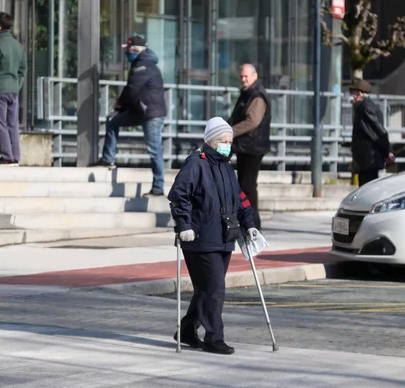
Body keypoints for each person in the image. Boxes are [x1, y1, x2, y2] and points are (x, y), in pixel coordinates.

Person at [169, 117, 260, 355]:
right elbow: (179, 196)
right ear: (211, 141)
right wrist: (183, 225)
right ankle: (213, 337)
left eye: (230, 141)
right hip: (199, 239)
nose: (228, 145)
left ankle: (188, 330)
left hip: (225, 236)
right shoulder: (196, 164)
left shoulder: (226, 167)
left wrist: (249, 224)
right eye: (224, 141)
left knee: (207, 289)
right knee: (215, 288)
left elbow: (240, 199)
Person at [91, 36, 167, 197]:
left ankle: (159, 187)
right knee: (112, 122)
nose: (126, 52)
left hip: (151, 114)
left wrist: (120, 104)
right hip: (140, 111)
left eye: (128, 49)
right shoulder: (141, 63)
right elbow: (133, 90)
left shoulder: (143, 65)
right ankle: (108, 159)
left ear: (134, 50)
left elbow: (131, 89)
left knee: (154, 150)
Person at [228, 64, 271, 230]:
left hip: (252, 147)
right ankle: (247, 222)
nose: (243, 79)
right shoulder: (248, 93)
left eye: (246, 76)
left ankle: (252, 224)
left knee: (248, 187)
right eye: (241, 76)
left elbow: (252, 122)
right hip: (246, 146)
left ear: (255, 76)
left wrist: (230, 131)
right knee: (244, 186)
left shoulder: (257, 95)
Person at [0, 12, 27, 167]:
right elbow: (23, 70)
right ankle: (14, 156)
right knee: (12, 124)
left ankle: (6, 156)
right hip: (13, 92)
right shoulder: (18, 46)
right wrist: (17, 85)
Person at [349, 78, 394, 187]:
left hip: (368, 161)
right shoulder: (364, 107)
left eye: (351, 94)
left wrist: (388, 151)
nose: (349, 97)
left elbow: (378, 131)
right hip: (366, 161)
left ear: (359, 94)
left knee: (367, 190)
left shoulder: (365, 109)